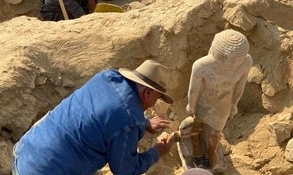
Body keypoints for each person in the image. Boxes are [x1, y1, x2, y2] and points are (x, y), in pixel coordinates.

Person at [12, 60, 176, 174]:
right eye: (158, 97)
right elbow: (126, 170)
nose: (156, 102)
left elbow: (107, 113)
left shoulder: (108, 77)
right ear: (148, 92)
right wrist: (156, 152)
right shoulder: (129, 120)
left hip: (27, 150)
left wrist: (145, 122)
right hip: (47, 170)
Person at [186, 29, 253, 173]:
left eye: (240, 58)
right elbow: (194, 89)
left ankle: (211, 152)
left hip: (224, 103)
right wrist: (191, 105)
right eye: (233, 59)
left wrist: (234, 104)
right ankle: (196, 144)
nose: (237, 63)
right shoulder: (202, 66)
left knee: (216, 131)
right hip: (204, 101)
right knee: (198, 123)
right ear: (220, 55)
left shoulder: (246, 63)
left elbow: (240, 86)